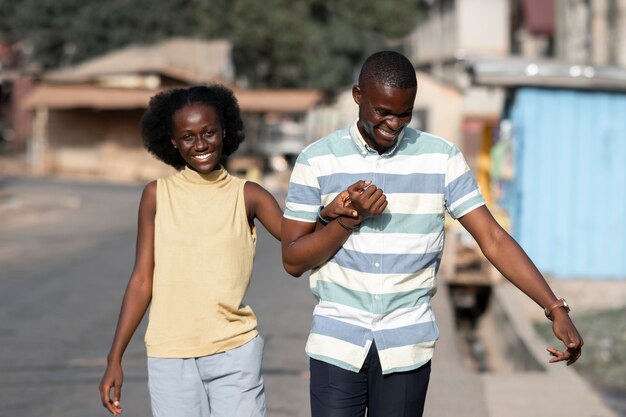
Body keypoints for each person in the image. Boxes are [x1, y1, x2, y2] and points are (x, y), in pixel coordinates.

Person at [281, 51, 583, 417]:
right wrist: (348, 220)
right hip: (336, 343)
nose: (393, 123)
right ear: (358, 96)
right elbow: (293, 259)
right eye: (382, 112)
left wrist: (554, 309)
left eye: (404, 113)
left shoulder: (440, 159)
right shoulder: (317, 160)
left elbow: (493, 238)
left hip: (407, 346)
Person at [98, 85, 353, 417]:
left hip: (234, 352)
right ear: (172, 141)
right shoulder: (156, 196)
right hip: (169, 356)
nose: (200, 144)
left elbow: (297, 241)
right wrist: (114, 359)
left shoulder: (249, 195)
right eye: (188, 137)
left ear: (225, 131)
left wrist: (336, 216)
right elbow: (141, 281)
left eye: (208, 132)